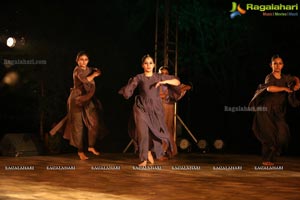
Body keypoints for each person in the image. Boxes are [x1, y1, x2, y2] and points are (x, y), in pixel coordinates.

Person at [118, 54, 180, 166]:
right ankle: (144, 159)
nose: (148, 65)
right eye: (146, 63)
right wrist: (127, 90)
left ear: (154, 65)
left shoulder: (158, 76)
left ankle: (150, 152)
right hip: (141, 107)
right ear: (142, 65)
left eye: (150, 63)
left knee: (155, 133)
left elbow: (177, 82)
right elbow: (131, 87)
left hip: (155, 108)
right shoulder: (139, 77)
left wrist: (164, 82)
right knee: (142, 133)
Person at [249, 54, 300, 166]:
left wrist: (297, 85)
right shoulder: (269, 77)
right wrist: (285, 88)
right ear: (271, 65)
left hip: (278, 111)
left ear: (283, 65)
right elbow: (269, 88)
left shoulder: (285, 77)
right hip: (266, 110)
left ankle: (273, 156)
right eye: (275, 63)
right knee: (269, 134)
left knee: (283, 133)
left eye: (280, 63)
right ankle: (268, 159)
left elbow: (295, 78)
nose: (277, 66)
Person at [63, 51, 108, 160]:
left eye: (86, 60)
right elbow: (84, 79)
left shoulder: (89, 69)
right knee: (78, 126)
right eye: (81, 59)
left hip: (87, 98)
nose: (83, 62)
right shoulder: (77, 70)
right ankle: (80, 151)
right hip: (76, 99)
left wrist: (97, 71)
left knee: (94, 122)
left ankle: (91, 146)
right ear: (77, 61)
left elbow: (98, 71)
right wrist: (94, 74)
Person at [158, 66, 191, 157]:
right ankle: (159, 150)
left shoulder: (171, 83)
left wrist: (181, 89)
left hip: (168, 107)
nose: (164, 75)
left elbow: (185, 87)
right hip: (158, 107)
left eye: (166, 73)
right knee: (158, 128)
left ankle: (168, 150)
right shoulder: (156, 83)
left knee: (168, 128)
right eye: (162, 73)